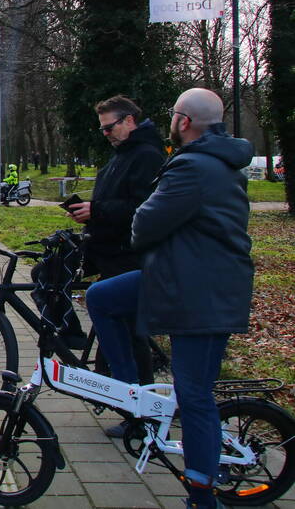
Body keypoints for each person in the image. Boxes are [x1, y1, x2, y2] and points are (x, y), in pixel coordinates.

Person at [85, 88, 253, 509]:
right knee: (101, 297)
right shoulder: (218, 163)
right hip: (183, 278)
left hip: (199, 293)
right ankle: (131, 393)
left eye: (174, 115)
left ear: (184, 121)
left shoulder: (193, 166)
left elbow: (144, 223)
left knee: (194, 395)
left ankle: (202, 496)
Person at [67, 94, 165, 435]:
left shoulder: (147, 155)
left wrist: (97, 210)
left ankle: (140, 414)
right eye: (102, 129)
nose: (106, 134)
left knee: (131, 332)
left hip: (127, 253)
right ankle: (76, 341)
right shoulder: (124, 153)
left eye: (109, 127)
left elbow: (144, 207)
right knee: (47, 274)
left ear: (129, 121)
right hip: (106, 247)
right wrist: (90, 212)